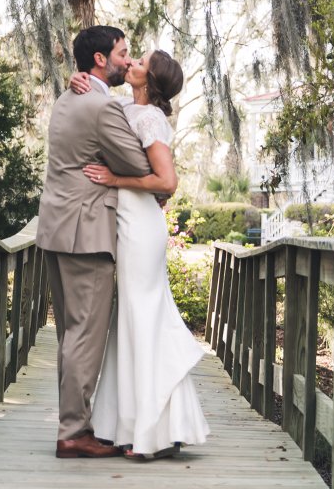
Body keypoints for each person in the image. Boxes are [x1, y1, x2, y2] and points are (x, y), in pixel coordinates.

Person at [66, 50, 211, 458]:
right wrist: (73, 82)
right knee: (131, 319)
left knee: (143, 318)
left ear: (151, 79)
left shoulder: (150, 119)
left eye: (140, 62)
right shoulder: (126, 106)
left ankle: (155, 432)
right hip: (126, 222)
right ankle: (135, 425)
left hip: (143, 228)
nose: (131, 64)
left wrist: (115, 178)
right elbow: (94, 103)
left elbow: (168, 180)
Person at [36, 26, 153, 459]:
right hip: (86, 232)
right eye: (123, 53)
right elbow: (141, 164)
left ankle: (75, 424)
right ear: (100, 60)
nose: (128, 60)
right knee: (86, 335)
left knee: (71, 334)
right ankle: (72, 432)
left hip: (56, 227)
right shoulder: (102, 106)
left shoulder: (68, 97)